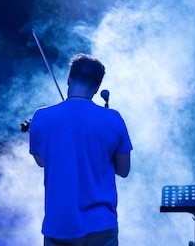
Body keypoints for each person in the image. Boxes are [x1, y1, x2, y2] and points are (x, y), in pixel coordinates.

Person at [29, 53, 133, 246]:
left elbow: (42, 161)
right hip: (100, 225)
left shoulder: (41, 117)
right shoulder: (113, 119)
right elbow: (123, 170)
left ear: (68, 79)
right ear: (97, 88)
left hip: (59, 224)